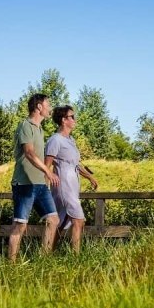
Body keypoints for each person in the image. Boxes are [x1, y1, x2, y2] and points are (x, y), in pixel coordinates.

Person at [8, 93, 61, 262]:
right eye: (48, 105)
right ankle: (11, 265)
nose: (50, 108)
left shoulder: (40, 129)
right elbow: (29, 153)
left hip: (40, 185)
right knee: (20, 225)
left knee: (53, 220)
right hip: (24, 184)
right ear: (39, 107)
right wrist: (47, 170)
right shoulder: (26, 125)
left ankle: (44, 260)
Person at [45, 105, 98, 253]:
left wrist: (89, 177)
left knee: (61, 223)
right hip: (63, 184)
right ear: (63, 120)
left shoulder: (70, 140)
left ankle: (47, 254)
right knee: (78, 220)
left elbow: (75, 164)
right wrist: (45, 188)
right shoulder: (55, 140)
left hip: (73, 185)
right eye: (72, 117)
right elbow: (46, 165)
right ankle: (76, 256)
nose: (75, 119)